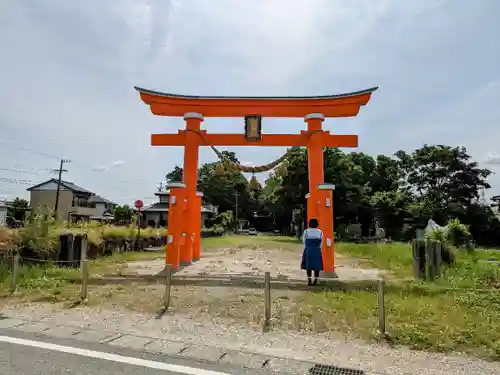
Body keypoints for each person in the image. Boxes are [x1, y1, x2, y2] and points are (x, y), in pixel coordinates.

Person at [300, 218, 323, 285]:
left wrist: (306, 248)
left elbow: (304, 241)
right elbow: (321, 243)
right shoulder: (320, 232)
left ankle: (309, 280)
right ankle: (316, 280)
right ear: (317, 224)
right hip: (317, 250)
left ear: (309, 224)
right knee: (317, 265)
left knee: (308, 265)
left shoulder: (306, 231)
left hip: (308, 250)